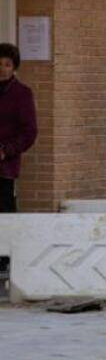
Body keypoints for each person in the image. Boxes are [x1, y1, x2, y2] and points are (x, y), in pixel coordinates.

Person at [0, 43, 37, 277]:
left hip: (4, 166)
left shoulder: (22, 94)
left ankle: (4, 260)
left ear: (14, 67)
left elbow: (29, 131)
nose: (2, 69)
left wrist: (7, 150)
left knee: (4, 212)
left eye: (7, 64)